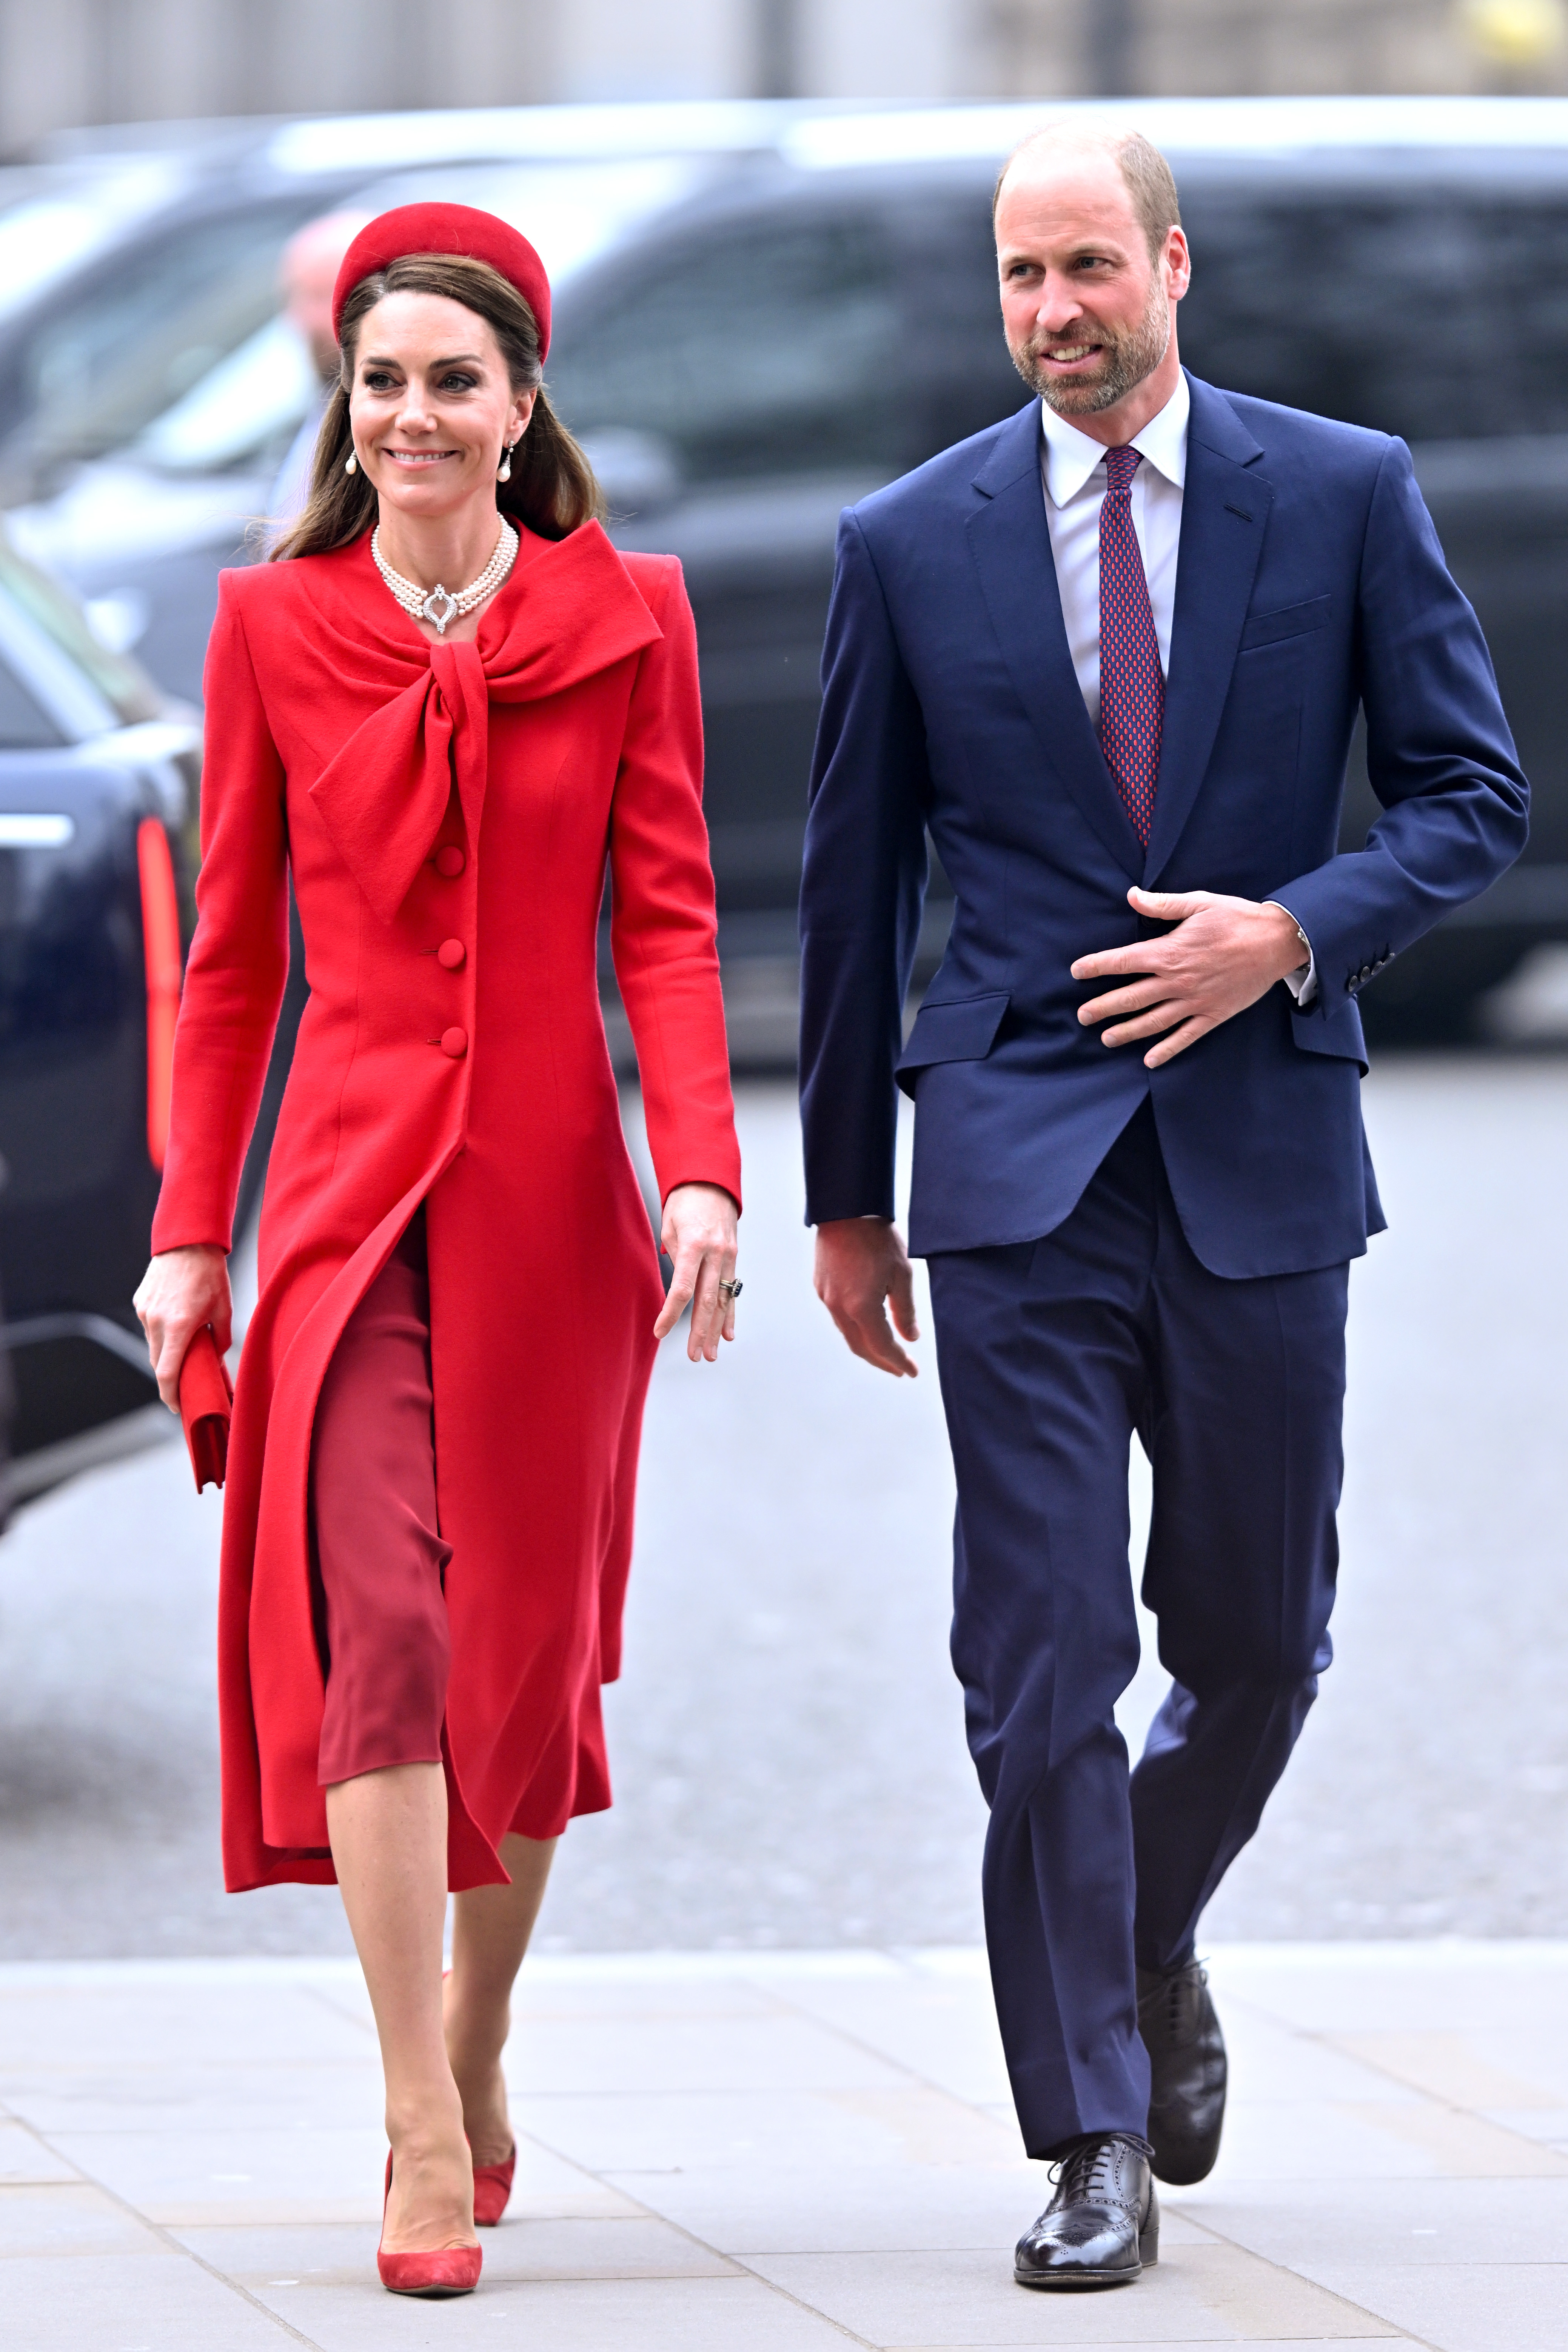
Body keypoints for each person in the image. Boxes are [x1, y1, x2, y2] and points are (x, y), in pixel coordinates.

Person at [799, 123, 1527, 2290]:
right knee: (1035, 1670)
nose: (1054, 312)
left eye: (1089, 266)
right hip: (1011, 1164)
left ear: (1173, 266)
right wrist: (847, 1193)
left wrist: (1284, 931)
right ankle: (1088, 2128)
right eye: (1021, 276)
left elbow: (1470, 793)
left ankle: (1137, 1928)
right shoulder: (907, 538)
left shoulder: (1343, 490)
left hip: (1261, 1153)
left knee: (1255, 1649)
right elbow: (852, 892)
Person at [134, 203, 741, 2300]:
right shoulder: (271, 625)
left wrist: (702, 1176)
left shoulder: (630, 616)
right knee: (373, 1632)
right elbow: (224, 966)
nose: (407, 414)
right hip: (334, 1202)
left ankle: (484, 2037)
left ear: (522, 403)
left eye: (448, 381)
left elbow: (667, 919)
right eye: (377, 379)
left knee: (517, 1660)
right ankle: (412, 2112)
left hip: (556, 1217)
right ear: (350, 401)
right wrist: (186, 1236)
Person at [267, 210, 370, 527]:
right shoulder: (316, 409)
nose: (300, 320)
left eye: (320, 296)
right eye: (293, 296)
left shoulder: (391, 430)